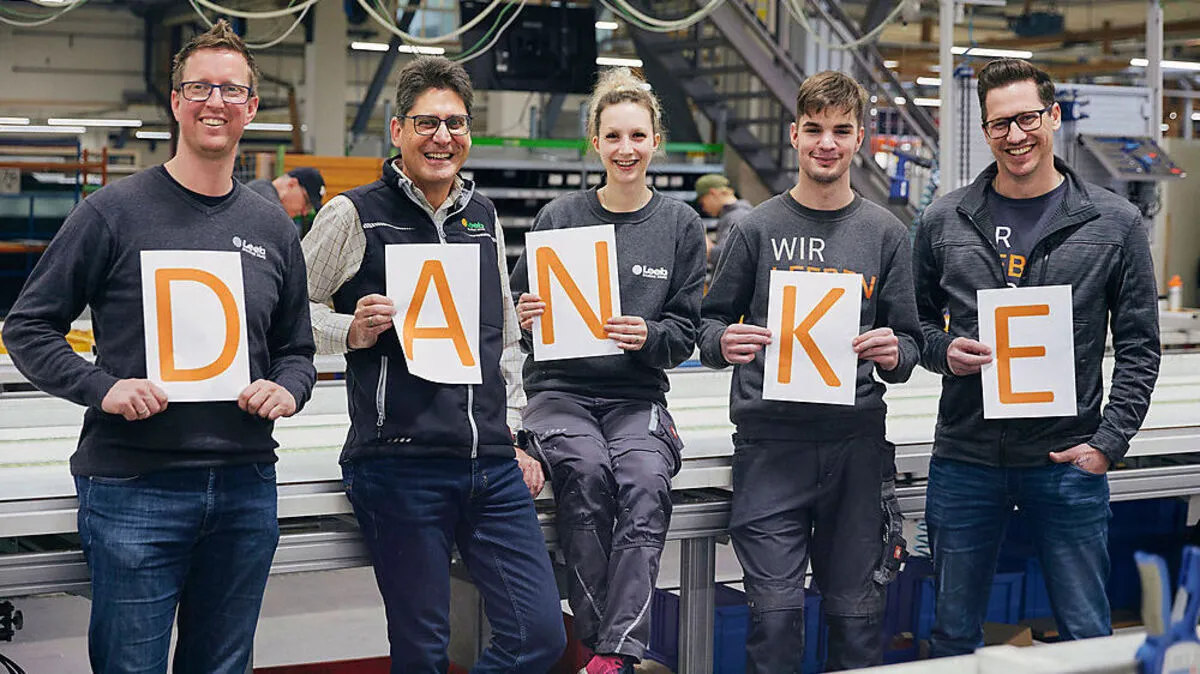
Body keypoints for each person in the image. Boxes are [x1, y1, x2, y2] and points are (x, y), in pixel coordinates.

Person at [2, 20, 316, 673]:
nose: (215, 101)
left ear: (252, 107)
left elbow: (297, 349)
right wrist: (102, 388)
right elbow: (27, 326)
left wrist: (288, 388)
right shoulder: (113, 212)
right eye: (200, 87)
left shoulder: (272, 228)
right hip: (134, 485)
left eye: (232, 89)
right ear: (176, 101)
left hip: (245, 484)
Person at [300, 56, 565, 673]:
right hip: (400, 464)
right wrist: (350, 330)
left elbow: (503, 339)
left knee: (539, 637)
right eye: (427, 123)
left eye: (455, 123)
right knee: (422, 651)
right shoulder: (353, 214)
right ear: (397, 130)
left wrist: (514, 433)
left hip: (488, 464)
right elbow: (285, 311)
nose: (442, 137)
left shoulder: (484, 218)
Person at [912, 58, 1160, 656]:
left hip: (1067, 462)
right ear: (985, 130)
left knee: (1086, 634)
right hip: (966, 458)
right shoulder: (944, 220)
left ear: (1053, 116)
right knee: (952, 635)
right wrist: (944, 351)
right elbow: (912, 323)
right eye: (1000, 124)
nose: (1015, 135)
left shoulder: (1114, 222)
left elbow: (1139, 345)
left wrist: (1108, 443)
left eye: (1027, 118)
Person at [699, 70, 921, 672]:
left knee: (856, 623)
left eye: (841, 131)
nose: (827, 143)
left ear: (859, 139)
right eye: (815, 129)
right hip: (770, 447)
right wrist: (724, 341)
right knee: (773, 624)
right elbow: (708, 324)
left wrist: (895, 352)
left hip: (856, 449)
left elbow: (910, 341)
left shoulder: (886, 234)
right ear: (794, 134)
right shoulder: (755, 229)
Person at [511, 67, 706, 674]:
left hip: (635, 397)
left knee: (645, 480)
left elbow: (685, 334)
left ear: (656, 142)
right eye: (614, 136)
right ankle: (609, 648)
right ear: (595, 142)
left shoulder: (680, 225)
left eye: (638, 136)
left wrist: (650, 336)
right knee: (587, 471)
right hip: (560, 394)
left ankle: (611, 653)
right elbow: (516, 319)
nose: (626, 149)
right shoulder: (558, 218)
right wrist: (524, 314)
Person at [694, 172, 752, 267]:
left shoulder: (736, 216)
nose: (703, 208)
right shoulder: (737, 214)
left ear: (712, 193)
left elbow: (725, 256)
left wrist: (705, 243)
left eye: (702, 203)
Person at [247, 166, 327, 220]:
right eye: (306, 203)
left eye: (310, 208)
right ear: (291, 184)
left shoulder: (259, 189)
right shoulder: (271, 209)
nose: (304, 213)